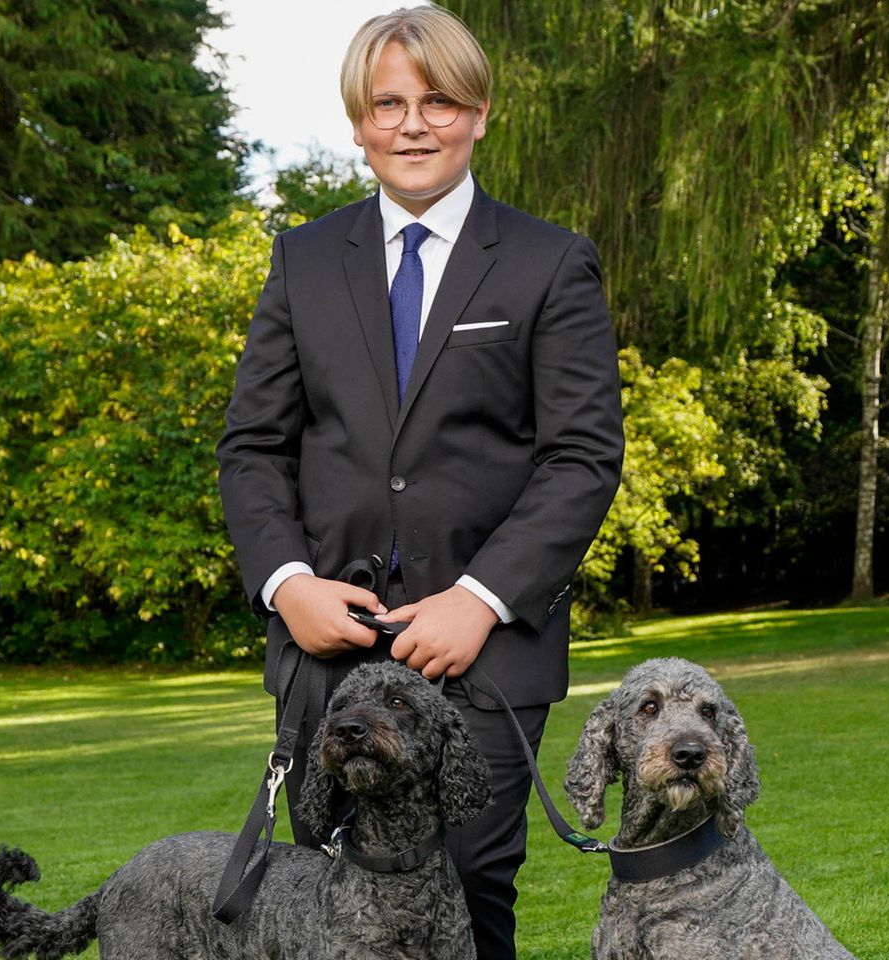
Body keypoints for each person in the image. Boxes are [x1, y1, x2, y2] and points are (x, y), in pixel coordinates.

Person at [216, 5, 624, 957]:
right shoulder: (303, 259)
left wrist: (479, 601)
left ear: (479, 113)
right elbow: (253, 448)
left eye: (438, 100)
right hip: (328, 658)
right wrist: (289, 585)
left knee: (466, 897)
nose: (413, 123)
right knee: (329, 913)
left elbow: (582, 455)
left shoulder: (548, 261)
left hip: (481, 660)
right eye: (388, 102)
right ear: (358, 122)